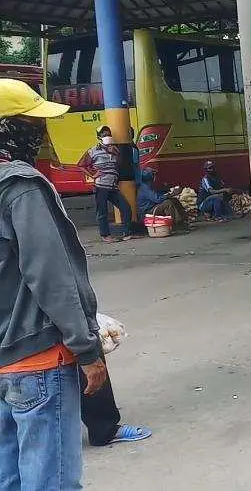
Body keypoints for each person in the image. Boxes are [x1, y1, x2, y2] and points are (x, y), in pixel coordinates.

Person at [0, 78, 108, 490]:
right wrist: (87, 347)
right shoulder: (20, 188)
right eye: (33, 124)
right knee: (52, 482)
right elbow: (51, 275)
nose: (41, 134)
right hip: (38, 361)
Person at [78, 125, 134, 242]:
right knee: (102, 212)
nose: (107, 136)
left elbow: (119, 165)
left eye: (108, 134)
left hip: (113, 186)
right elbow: (81, 165)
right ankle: (105, 235)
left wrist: (116, 154)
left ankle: (126, 232)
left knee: (126, 208)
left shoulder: (114, 150)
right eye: (104, 135)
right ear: (99, 137)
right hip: (101, 186)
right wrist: (93, 175)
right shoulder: (93, 151)